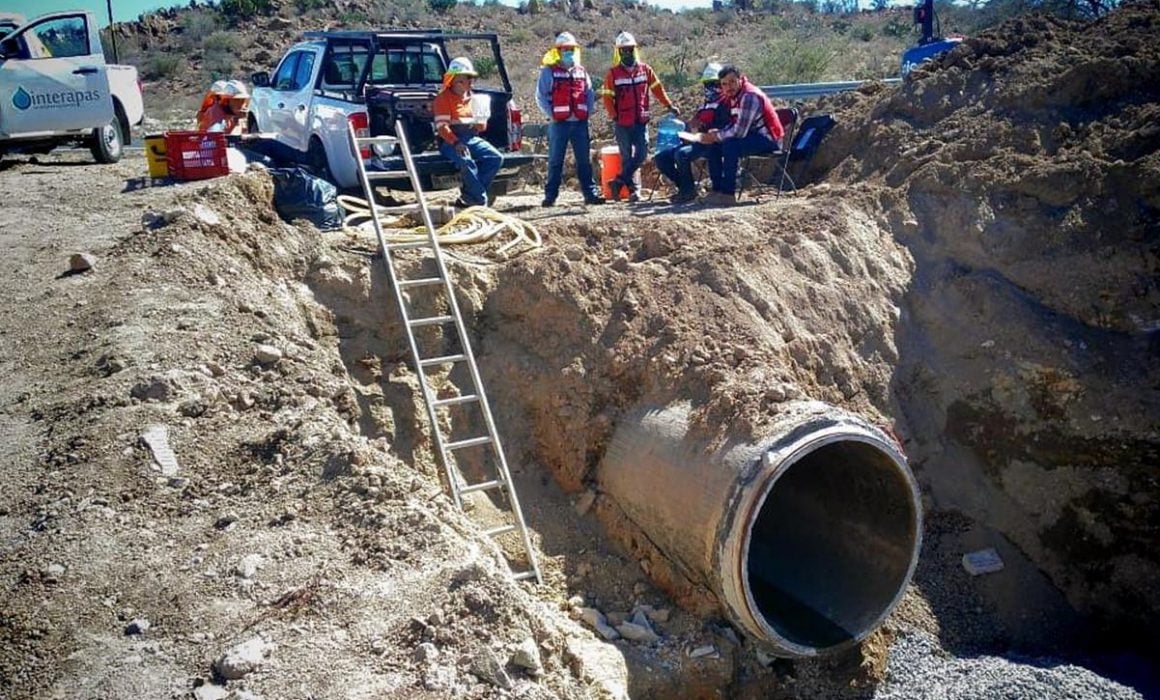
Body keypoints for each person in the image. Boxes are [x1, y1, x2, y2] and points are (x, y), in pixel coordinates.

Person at [600, 32, 676, 202]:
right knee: (626, 157)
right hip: (622, 123)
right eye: (623, 50)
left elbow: (658, 89)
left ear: (635, 50)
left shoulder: (645, 70)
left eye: (629, 49)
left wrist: (669, 105)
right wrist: (614, 116)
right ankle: (634, 191)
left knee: (641, 154)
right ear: (619, 52)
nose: (627, 53)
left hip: (640, 121)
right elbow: (606, 98)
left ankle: (618, 181)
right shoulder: (613, 74)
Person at [535, 31, 605, 207]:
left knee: (584, 160)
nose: (569, 52)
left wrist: (587, 111)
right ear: (558, 51)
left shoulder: (581, 72)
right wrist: (551, 115)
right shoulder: (548, 72)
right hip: (559, 124)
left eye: (571, 49)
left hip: (580, 123)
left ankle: (590, 194)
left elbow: (589, 93)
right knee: (555, 160)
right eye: (565, 49)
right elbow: (540, 96)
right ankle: (550, 196)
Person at [700, 64, 785, 205]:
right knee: (714, 145)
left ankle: (728, 194)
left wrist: (717, 135)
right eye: (724, 84)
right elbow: (734, 124)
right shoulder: (734, 96)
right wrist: (716, 135)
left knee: (730, 145)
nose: (729, 87)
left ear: (740, 79)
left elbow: (739, 132)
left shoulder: (749, 96)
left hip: (768, 139)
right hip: (751, 136)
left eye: (732, 81)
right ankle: (717, 190)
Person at [654, 61, 730, 204]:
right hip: (699, 141)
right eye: (707, 85)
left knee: (682, 154)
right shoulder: (705, 104)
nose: (710, 88)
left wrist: (704, 129)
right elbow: (693, 124)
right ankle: (685, 187)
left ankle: (687, 191)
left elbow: (723, 127)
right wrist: (689, 130)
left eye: (713, 84)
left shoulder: (726, 103)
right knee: (661, 158)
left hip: (714, 143)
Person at [432, 57, 503, 208]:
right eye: (465, 78)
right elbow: (442, 127)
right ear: (453, 79)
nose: (469, 82)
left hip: (471, 137)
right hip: (450, 141)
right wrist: (456, 142)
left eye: (471, 78)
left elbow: (481, 127)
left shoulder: (475, 99)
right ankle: (480, 199)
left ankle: (471, 196)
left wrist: (480, 123)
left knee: (495, 158)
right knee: (466, 162)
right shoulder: (442, 98)